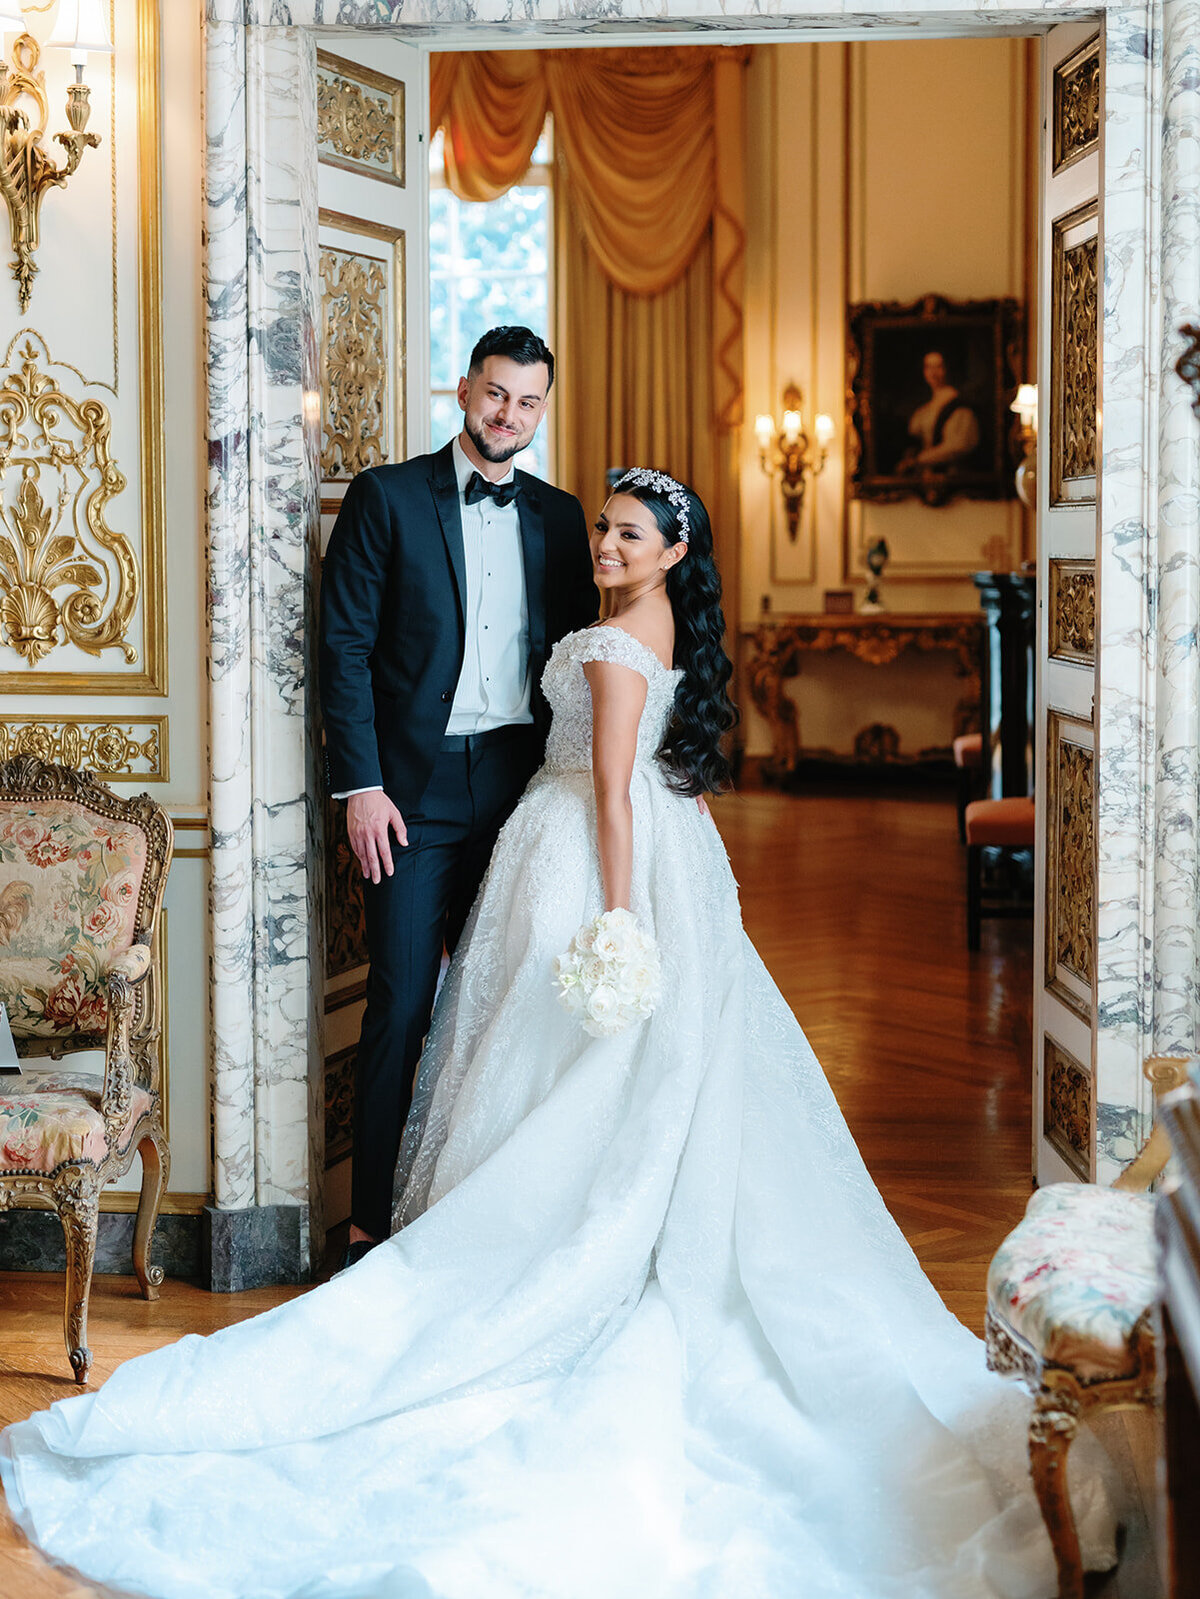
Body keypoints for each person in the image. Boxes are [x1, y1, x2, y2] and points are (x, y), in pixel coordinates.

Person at [0, 472, 1118, 1599]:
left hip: (591, 853)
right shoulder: (647, 620)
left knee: (566, 1072)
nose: (606, 545)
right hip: (601, 841)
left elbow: (616, 793)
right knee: (580, 1073)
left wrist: (619, 921)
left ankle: (544, 1242)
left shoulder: (617, 642)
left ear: (673, 551)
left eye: (631, 534)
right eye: (603, 528)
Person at [319, 324, 596, 1264]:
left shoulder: (560, 517)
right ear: (466, 391)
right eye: (496, 393)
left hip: (522, 788)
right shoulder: (388, 497)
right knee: (402, 1000)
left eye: (528, 401)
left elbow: (578, 663)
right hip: (409, 792)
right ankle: (369, 1227)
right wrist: (362, 785)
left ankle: (480, 1216)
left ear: (542, 411)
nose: (509, 414)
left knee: (508, 1000)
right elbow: (344, 649)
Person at [897, 349, 981, 473]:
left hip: (953, 476)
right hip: (928, 474)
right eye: (928, 367)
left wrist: (919, 459)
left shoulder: (959, 406)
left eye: (938, 367)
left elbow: (958, 446)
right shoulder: (923, 410)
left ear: (947, 369)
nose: (933, 373)